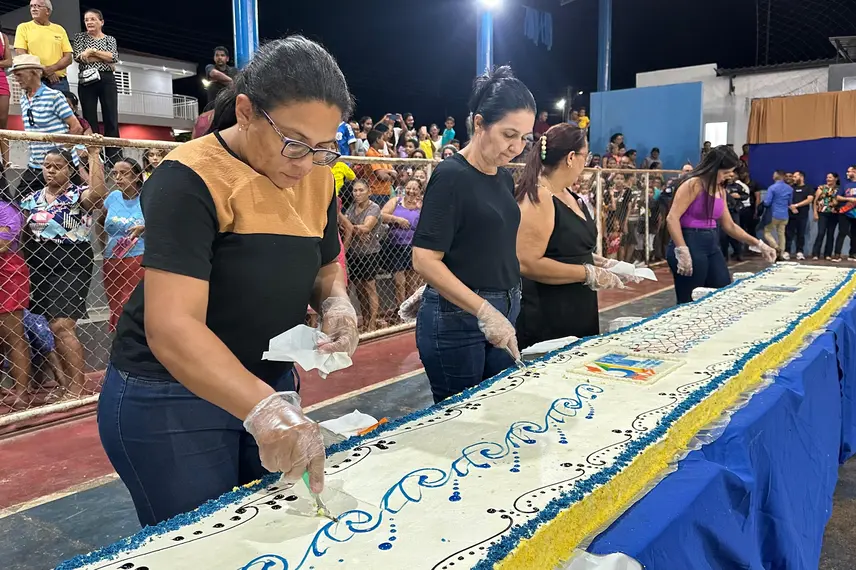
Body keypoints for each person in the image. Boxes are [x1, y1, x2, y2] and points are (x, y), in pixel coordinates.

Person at [98, 36, 359, 527]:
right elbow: (172, 327)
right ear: (245, 111)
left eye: (323, 148)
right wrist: (264, 409)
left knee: (275, 528)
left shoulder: (318, 177)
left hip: (268, 380)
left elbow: (325, 266)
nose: (305, 163)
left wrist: (336, 302)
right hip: (172, 396)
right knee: (202, 542)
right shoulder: (190, 176)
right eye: (294, 143)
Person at [413, 65, 534, 404]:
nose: (516, 147)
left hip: (504, 307)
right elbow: (424, 258)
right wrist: (483, 309)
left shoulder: (503, 177)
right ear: (479, 123)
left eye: (524, 138)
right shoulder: (452, 176)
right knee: (461, 416)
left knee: (496, 408)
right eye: (509, 135)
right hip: (460, 318)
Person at [515, 124, 630, 349]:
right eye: (585, 157)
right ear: (570, 157)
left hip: (577, 303)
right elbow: (526, 262)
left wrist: (606, 264)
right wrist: (587, 273)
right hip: (550, 310)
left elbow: (567, 247)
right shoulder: (539, 197)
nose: (585, 164)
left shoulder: (568, 194)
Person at [21, 145, 107, 398]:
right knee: (52, 325)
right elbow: (25, 233)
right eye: (47, 166)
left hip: (71, 260)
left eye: (58, 167)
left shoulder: (77, 195)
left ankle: (77, 387)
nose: (51, 171)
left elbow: (98, 194)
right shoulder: (32, 198)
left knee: (63, 325)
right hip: (39, 261)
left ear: (69, 169)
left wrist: (93, 156)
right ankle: (67, 384)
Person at [666, 146, 776, 304]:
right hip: (690, 242)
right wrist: (682, 249)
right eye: (726, 172)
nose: (730, 175)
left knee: (722, 291)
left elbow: (729, 225)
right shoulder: (693, 185)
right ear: (713, 168)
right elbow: (672, 218)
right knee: (690, 300)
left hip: (711, 243)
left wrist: (759, 244)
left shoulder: (720, 190)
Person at [12, 54, 82, 194]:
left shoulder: (54, 96)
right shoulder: (24, 99)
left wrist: (62, 153)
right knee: (20, 201)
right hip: (36, 165)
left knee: (65, 204)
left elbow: (76, 127)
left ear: (33, 73)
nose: (16, 79)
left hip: (59, 167)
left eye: (19, 75)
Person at [102, 158, 145, 331]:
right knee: (116, 305)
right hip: (112, 260)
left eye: (124, 173)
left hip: (138, 258)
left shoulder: (146, 198)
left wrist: (145, 228)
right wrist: (104, 246)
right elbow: (101, 221)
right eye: (115, 174)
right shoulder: (113, 197)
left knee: (133, 304)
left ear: (137, 176)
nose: (118, 178)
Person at [73, 9, 121, 165]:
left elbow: (114, 57)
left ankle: (114, 159)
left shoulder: (110, 39)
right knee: (89, 117)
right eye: (86, 19)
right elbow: (79, 57)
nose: (89, 22)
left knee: (111, 117)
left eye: (93, 19)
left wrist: (92, 51)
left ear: (101, 22)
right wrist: (104, 57)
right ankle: (94, 158)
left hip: (107, 79)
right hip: (87, 80)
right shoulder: (80, 37)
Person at [0, 184, 31, 409]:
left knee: (13, 334)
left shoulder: (6, 209)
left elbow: (2, 244)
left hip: (7, 272)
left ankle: (21, 391)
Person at [345, 179, 382, 332]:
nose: (357, 193)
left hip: (369, 253)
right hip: (354, 253)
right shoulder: (351, 208)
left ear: (369, 192)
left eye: (361, 190)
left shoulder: (374, 208)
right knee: (359, 288)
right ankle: (365, 319)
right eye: (355, 190)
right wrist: (356, 230)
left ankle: (372, 323)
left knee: (370, 287)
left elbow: (366, 227)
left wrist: (351, 228)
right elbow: (343, 225)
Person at [382, 177, 422, 312]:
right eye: (408, 188)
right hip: (396, 246)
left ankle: (411, 310)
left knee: (412, 282)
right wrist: (397, 219)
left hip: (414, 247)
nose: (411, 191)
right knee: (399, 282)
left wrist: (420, 208)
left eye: (415, 189)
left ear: (419, 191)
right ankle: (401, 310)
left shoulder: (422, 205)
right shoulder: (396, 201)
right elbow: (381, 215)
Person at [15, 0, 72, 92]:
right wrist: (43, 69)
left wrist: (51, 69)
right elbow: (21, 53)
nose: (33, 9)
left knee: (63, 102)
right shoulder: (23, 27)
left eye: (37, 6)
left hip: (58, 81)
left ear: (48, 11)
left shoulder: (59, 29)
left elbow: (68, 57)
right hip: (35, 80)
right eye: (32, 6)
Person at [762, 170, 793, 258]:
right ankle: (781, 253)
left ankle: (776, 247)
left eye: (774, 174)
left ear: (777, 176)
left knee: (767, 232)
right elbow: (790, 202)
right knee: (781, 234)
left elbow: (767, 202)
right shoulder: (789, 188)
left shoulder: (772, 188)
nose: (773, 176)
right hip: (785, 215)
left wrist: (763, 203)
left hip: (774, 214)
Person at [784, 170, 813, 260]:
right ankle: (787, 251)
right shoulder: (790, 188)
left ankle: (799, 252)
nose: (793, 178)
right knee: (788, 233)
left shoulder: (808, 188)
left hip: (802, 215)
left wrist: (796, 205)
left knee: (801, 234)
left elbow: (809, 200)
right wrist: (791, 207)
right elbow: (785, 198)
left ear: (801, 177)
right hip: (790, 215)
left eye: (795, 176)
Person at [811, 172, 840, 261]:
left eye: (830, 177)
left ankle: (828, 254)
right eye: (827, 177)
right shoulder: (821, 188)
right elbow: (815, 201)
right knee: (821, 233)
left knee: (830, 234)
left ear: (835, 179)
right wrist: (815, 212)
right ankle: (815, 253)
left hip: (834, 214)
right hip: (822, 213)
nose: (828, 179)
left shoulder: (839, 189)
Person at [365, 130, 397, 206]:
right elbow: (382, 176)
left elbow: (395, 174)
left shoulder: (381, 155)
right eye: (382, 139)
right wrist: (389, 173)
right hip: (376, 193)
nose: (384, 142)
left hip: (386, 192)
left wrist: (387, 172)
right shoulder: (371, 154)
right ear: (377, 140)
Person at [833, 165, 856, 262]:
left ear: (854, 171)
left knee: (855, 234)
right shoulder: (845, 185)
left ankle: (853, 254)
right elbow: (838, 197)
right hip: (845, 212)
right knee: (842, 232)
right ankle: (837, 254)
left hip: (855, 212)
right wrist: (849, 199)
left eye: (849, 171)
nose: (847, 173)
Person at [0, 27, 12, 168]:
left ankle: (6, 162)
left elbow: (9, 61)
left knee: (3, 120)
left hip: (1, 79)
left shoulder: (2, 37)